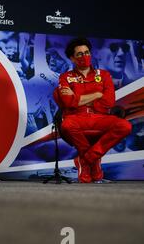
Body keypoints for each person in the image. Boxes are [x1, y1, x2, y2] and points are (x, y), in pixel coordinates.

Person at [56, 37, 132, 183]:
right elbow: (68, 102)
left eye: (87, 52)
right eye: (80, 54)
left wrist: (78, 99)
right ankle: (94, 163)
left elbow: (108, 102)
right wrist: (97, 94)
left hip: (99, 117)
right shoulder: (66, 77)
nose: (85, 57)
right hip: (76, 118)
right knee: (67, 125)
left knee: (125, 126)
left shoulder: (103, 75)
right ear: (72, 58)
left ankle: (86, 160)